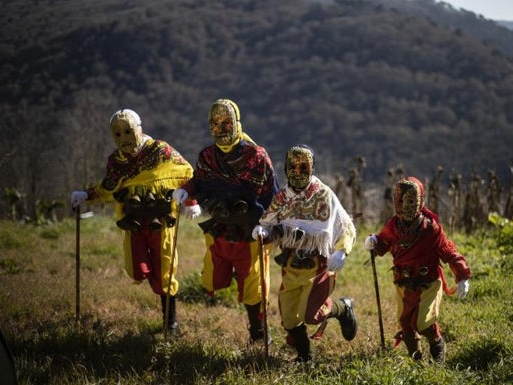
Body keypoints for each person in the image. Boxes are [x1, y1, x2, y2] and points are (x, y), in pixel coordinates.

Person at [70, 108, 200, 335]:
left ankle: (171, 323)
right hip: (133, 222)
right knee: (137, 271)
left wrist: (191, 201)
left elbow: (186, 173)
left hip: (162, 221)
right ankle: (158, 285)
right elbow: (107, 187)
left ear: (139, 128)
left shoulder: (160, 151)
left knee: (165, 272)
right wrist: (87, 195)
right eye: (118, 134)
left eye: (128, 131)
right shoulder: (116, 161)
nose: (124, 138)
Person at [172, 98, 278, 344]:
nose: (221, 129)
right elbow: (199, 180)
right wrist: (187, 192)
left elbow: (271, 193)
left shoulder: (256, 155)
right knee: (211, 279)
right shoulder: (207, 156)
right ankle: (232, 276)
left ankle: (259, 333)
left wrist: (267, 224)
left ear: (237, 122)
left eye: (227, 122)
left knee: (254, 283)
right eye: (215, 123)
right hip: (220, 226)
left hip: (251, 229)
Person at [252, 144, 357, 363]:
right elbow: (269, 223)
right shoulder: (281, 197)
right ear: (286, 168)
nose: (298, 172)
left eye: (304, 166)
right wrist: (263, 230)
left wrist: (342, 250)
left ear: (312, 167)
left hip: (318, 266)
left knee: (312, 315)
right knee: (289, 319)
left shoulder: (324, 194)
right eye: (293, 166)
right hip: (290, 265)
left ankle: (342, 308)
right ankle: (305, 356)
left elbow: (345, 225)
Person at [364, 176, 471, 364]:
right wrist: (375, 242)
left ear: (420, 201)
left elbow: (448, 251)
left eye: (411, 200)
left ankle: (437, 344)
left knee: (423, 322)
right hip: (404, 284)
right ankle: (417, 360)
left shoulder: (431, 229)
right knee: (406, 323)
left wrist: (462, 276)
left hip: (428, 283)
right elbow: (383, 244)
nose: (405, 206)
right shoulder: (394, 226)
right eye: (400, 200)